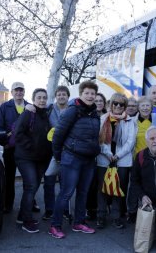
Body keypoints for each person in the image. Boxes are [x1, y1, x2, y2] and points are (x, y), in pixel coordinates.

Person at [50, 80, 101, 239]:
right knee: (66, 193)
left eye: (93, 93)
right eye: (87, 93)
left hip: (88, 160)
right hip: (71, 158)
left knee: (83, 193)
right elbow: (58, 135)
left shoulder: (95, 113)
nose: (90, 96)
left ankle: (79, 222)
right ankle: (55, 225)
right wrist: (59, 156)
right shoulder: (73, 110)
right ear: (81, 94)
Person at [14, 88, 52, 233]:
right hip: (26, 157)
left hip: (41, 158)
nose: (42, 100)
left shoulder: (45, 115)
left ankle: (21, 215)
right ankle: (26, 221)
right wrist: (32, 147)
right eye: (39, 97)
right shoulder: (28, 113)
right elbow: (18, 133)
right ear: (33, 99)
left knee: (33, 187)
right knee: (31, 186)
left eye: (44, 97)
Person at [97, 93, 136, 229]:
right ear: (111, 104)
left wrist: (117, 155)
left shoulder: (130, 121)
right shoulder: (103, 119)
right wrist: (108, 154)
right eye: (115, 103)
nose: (118, 106)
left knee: (119, 190)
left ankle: (116, 216)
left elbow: (131, 142)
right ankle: (101, 216)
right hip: (104, 159)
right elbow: (100, 139)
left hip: (122, 160)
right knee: (102, 189)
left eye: (121, 104)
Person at [0, 81, 30, 214]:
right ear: (12, 92)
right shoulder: (5, 107)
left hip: (26, 150)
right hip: (10, 149)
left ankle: (31, 203)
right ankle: (7, 204)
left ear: (24, 92)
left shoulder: (30, 107)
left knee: (29, 178)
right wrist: (5, 142)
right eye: (16, 90)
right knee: (9, 178)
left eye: (21, 90)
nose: (19, 92)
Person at [42, 86, 70, 221]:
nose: (61, 97)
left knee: (65, 183)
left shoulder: (72, 109)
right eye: (59, 94)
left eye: (64, 94)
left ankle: (64, 210)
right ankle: (49, 210)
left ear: (68, 96)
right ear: (56, 96)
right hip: (50, 150)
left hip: (67, 151)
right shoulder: (49, 109)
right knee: (49, 181)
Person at [86, 92, 108, 221]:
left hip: (104, 156)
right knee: (90, 184)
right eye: (96, 101)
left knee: (102, 184)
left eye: (101, 101)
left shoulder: (108, 117)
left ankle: (102, 208)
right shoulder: (88, 116)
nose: (98, 103)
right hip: (91, 155)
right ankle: (90, 209)